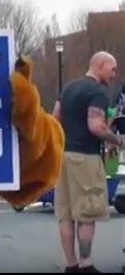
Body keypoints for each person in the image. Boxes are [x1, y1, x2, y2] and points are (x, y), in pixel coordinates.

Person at [52, 51, 124, 273]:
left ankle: (70, 265)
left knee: (65, 214)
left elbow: (54, 118)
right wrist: (118, 140)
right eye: (112, 68)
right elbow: (96, 126)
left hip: (63, 157)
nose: (114, 74)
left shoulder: (69, 88)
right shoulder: (97, 91)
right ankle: (86, 264)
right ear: (101, 65)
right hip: (85, 159)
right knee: (87, 214)